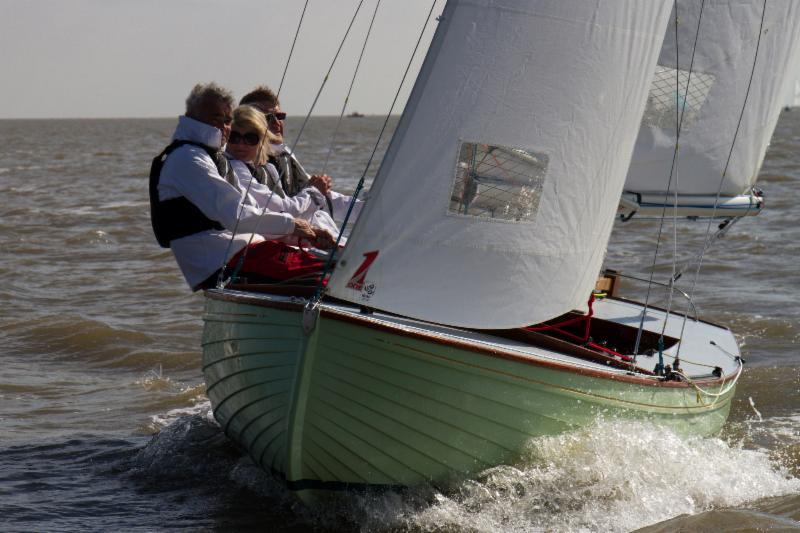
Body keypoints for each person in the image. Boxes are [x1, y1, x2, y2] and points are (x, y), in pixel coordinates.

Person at [149, 83, 331, 291]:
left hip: (242, 251)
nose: (224, 127)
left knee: (337, 271)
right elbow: (237, 215)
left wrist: (307, 233)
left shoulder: (210, 156)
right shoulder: (188, 158)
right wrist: (292, 224)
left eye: (227, 120)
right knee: (331, 279)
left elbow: (252, 212)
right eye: (215, 118)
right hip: (221, 260)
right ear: (192, 116)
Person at [239, 86, 364, 222]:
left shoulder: (285, 155)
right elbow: (281, 211)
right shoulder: (241, 163)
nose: (276, 122)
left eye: (279, 116)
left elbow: (325, 200)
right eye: (268, 118)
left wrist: (369, 210)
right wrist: (314, 191)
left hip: (311, 233)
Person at [225, 104, 342, 240]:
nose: (241, 145)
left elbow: (288, 215)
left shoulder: (269, 168)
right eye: (234, 137)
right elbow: (284, 209)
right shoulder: (233, 168)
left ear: (262, 139)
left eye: (250, 139)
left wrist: (312, 233)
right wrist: (314, 192)